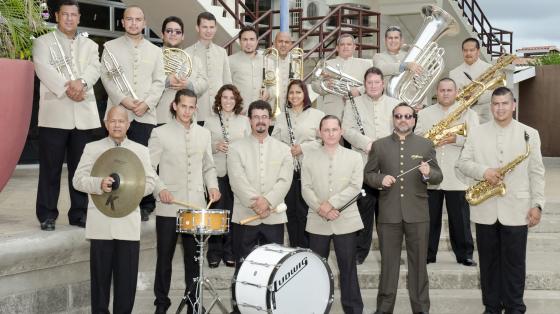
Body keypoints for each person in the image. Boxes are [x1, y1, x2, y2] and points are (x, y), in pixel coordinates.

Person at [457, 87, 545, 314]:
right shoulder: (476, 133)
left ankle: (516, 307)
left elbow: (537, 172)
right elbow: (463, 163)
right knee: (488, 264)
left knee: (515, 263)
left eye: (505, 103)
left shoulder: (530, 133)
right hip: (485, 208)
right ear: (491, 106)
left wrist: (537, 204)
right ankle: (492, 306)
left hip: (518, 208)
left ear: (513, 105)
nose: (500, 108)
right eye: (496, 104)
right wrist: (484, 171)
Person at [72, 106, 156, 313]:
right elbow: (77, 180)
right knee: (99, 284)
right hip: (100, 224)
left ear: (128, 124)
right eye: (113, 121)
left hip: (127, 225)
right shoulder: (92, 148)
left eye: (121, 121)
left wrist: (131, 190)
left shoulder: (141, 150)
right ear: (105, 123)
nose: (117, 125)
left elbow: (152, 182)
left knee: (126, 285)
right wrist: (98, 183)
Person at [364, 103, 442, 314]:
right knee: (389, 267)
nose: (403, 120)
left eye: (408, 116)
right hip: (388, 214)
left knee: (419, 267)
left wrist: (428, 173)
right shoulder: (379, 146)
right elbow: (368, 175)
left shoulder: (425, 145)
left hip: (417, 214)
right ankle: (384, 309)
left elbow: (438, 175)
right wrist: (381, 179)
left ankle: (421, 309)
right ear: (393, 119)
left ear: (414, 120)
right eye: (399, 116)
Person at [148, 88, 220, 313]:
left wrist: (213, 186)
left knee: (193, 259)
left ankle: (193, 304)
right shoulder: (160, 134)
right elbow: (149, 168)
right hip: (169, 206)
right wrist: (160, 189)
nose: (187, 111)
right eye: (184, 106)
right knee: (164, 258)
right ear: (175, 106)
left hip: (195, 206)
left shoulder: (204, 134)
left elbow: (208, 165)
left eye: (191, 107)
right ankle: (161, 304)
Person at [32, 0, 101, 231]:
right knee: (50, 167)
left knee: (80, 167)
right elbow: (43, 68)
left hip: (83, 115)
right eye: (65, 14)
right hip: (54, 115)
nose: (69, 18)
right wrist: (68, 88)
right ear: (56, 16)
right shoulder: (43, 42)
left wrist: (80, 83)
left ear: (79, 18)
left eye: (74, 15)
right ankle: (47, 215)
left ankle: (79, 213)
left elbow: (95, 69)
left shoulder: (90, 45)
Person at [100, 5, 165, 221]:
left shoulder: (156, 51)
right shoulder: (110, 47)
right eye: (129, 19)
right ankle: (115, 200)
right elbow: (107, 78)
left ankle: (145, 204)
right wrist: (124, 101)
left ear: (144, 23)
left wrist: (146, 103)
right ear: (123, 22)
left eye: (138, 20)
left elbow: (159, 82)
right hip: (119, 113)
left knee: (143, 160)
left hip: (145, 114)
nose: (134, 23)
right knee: (116, 159)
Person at [301, 115, 364, 314]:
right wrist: (321, 208)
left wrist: (331, 204)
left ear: (341, 131)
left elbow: (355, 186)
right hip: (318, 220)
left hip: (345, 220)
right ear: (320, 133)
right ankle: (316, 308)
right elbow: (306, 188)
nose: (330, 133)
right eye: (326, 130)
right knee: (317, 268)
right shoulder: (309, 157)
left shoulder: (354, 157)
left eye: (334, 129)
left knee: (348, 268)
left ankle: (353, 309)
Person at [415, 78, 479, 266]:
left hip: (457, 174)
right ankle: (427, 254)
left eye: (449, 90)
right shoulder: (425, 113)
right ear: (437, 91)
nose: (445, 93)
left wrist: (455, 140)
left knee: (460, 219)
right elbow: (417, 137)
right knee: (429, 219)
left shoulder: (469, 113)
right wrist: (430, 141)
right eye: (442, 90)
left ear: (456, 91)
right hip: (431, 173)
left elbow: (477, 141)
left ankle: (465, 254)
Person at [341, 67, 400, 264]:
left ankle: (390, 254)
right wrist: (367, 143)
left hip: (390, 167)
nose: (373, 86)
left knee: (388, 216)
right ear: (364, 85)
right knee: (364, 211)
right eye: (369, 82)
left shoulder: (395, 104)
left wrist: (386, 145)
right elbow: (346, 130)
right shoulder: (353, 103)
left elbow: (402, 130)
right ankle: (360, 252)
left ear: (383, 84)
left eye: (377, 82)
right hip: (364, 165)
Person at [228, 100, 293, 267]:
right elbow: (237, 180)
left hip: (274, 216)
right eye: (256, 117)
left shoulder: (284, 149)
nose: (260, 121)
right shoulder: (236, 148)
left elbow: (285, 181)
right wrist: (256, 204)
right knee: (243, 268)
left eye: (264, 117)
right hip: (245, 215)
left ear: (270, 120)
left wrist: (267, 202)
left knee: (272, 269)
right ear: (249, 120)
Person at [272, 79, 325, 248]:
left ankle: (309, 248)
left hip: (309, 168)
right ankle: (295, 248)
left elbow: (324, 140)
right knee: (292, 211)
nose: (294, 96)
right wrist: (286, 150)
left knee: (306, 210)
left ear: (305, 95)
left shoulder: (318, 115)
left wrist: (302, 148)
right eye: (291, 92)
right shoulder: (281, 117)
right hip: (288, 169)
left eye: (298, 92)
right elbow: (274, 141)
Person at [204, 84, 251, 268]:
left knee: (233, 213)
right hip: (217, 172)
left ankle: (231, 251)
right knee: (217, 213)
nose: (228, 101)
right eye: (225, 97)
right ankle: (214, 252)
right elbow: (203, 147)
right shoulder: (209, 121)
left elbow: (249, 146)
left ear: (236, 100)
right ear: (219, 100)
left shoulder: (244, 121)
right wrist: (216, 146)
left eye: (232, 98)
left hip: (237, 174)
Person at [156, 16, 208, 125]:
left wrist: (189, 85)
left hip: (189, 120)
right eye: (169, 31)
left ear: (183, 36)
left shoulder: (194, 59)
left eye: (178, 32)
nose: (173, 34)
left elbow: (204, 83)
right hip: (161, 118)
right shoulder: (153, 56)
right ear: (162, 34)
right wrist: (166, 81)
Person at [311, 33, 372, 119]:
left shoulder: (366, 64)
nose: (345, 47)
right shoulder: (327, 64)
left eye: (349, 44)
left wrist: (359, 90)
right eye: (342, 44)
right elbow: (314, 85)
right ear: (337, 48)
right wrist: (325, 86)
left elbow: (373, 84)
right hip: (333, 110)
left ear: (354, 47)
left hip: (358, 109)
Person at [186, 12, 232, 124]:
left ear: (216, 29)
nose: (208, 31)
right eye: (204, 27)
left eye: (211, 27)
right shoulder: (187, 53)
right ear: (197, 28)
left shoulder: (222, 52)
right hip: (197, 112)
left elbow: (228, 83)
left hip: (220, 112)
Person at [372, 26, 424, 110]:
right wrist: (405, 65)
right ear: (385, 40)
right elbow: (381, 69)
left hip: (411, 104)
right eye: (390, 38)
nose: (393, 41)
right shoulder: (378, 57)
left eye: (396, 38)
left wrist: (421, 102)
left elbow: (421, 82)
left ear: (401, 40)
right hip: (388, 105)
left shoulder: (411, 56)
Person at [449, 37, 493, 123]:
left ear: (478, 51)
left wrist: (475, 97)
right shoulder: (453, 73)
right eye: (465, 50)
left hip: (486, 117)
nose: (468, 53)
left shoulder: (489, 69)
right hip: (462, 118)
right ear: (462, 51)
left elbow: (496, 92)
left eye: (472, 50)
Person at [228, 25, 269, 107]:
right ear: (240, 41)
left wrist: (269, 93)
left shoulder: (267, 60)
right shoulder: (229, 61)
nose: (248, 43)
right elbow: (227, 87)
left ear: (257, 41)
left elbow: (273, 85)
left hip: (262, 111)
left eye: (252, 39)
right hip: (239, 111)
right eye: (245, 39)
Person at [266, 32, 293, 115]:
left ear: (291, 45)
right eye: (280, 41)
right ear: (274, 43)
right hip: (269, 110)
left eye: (286, 42)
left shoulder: (296, 60)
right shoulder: (266, 60)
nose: (283, 44)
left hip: (291, 112)